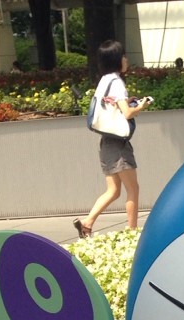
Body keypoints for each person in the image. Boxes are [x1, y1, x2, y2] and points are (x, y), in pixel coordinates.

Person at [74, 40, 150, 239]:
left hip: (106, 142)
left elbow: (111, 106)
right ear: (116, 59)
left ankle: (87, 223)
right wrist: (141, 106)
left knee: (114, 190)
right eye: (123, 56)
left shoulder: (104, 81)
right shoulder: (116, 82)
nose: (126, 60)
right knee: (133, 189)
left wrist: (128, 102)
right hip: (118, 144)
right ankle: (132, 233)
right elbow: (127, 113)